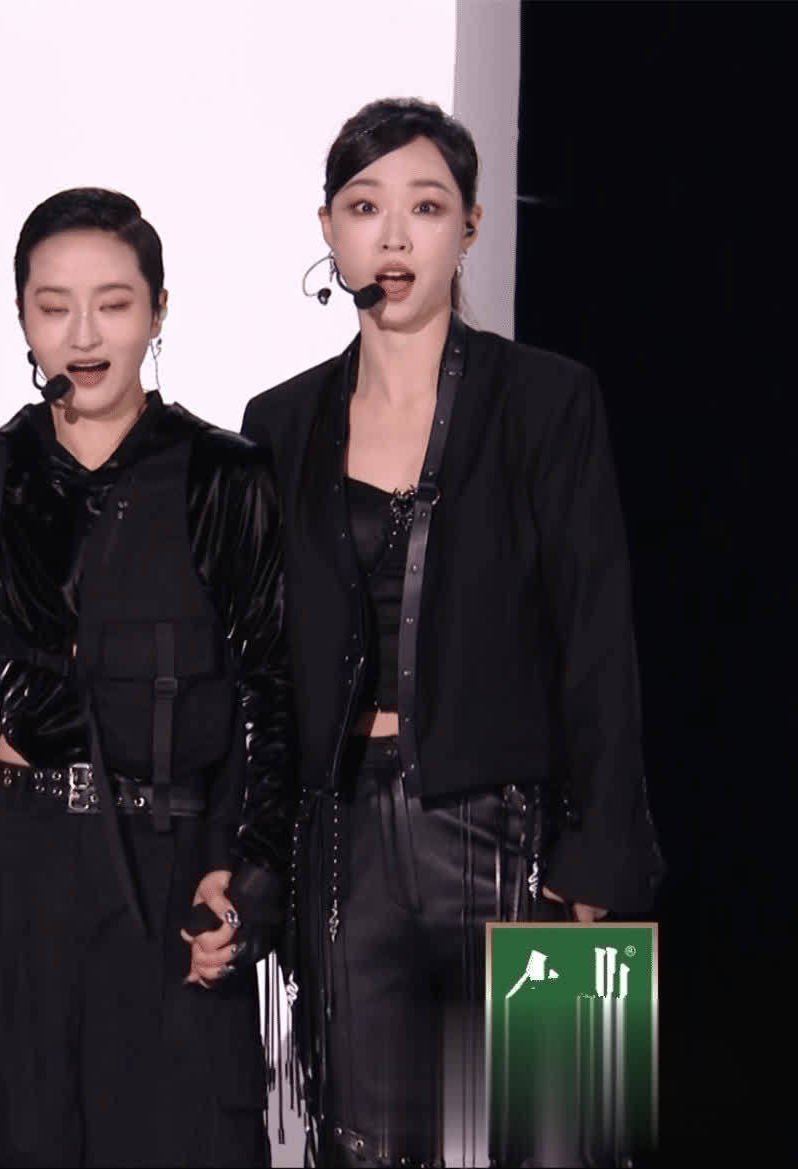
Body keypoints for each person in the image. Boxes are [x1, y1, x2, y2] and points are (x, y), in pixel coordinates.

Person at [240, 97, 665, 1167]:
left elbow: (597, 640)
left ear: (469, 226)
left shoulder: (548, 399)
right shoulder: (278, 422)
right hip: (340, 844)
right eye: (363, 207)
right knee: (362, 1148)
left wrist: (601, 857)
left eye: (424, 208)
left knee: (565, 1137)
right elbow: (262, 665)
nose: (392, 236)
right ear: (327, 229)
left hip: (520, 834)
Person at [0, 188, 294, 1167]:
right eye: (53, 304)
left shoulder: (224, 476)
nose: (84, 332)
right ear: (21, 315)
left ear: (157, 309)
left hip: (174, 871)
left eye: (113, 302)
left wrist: (249, 875)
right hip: (14, 877)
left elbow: (270, 695)